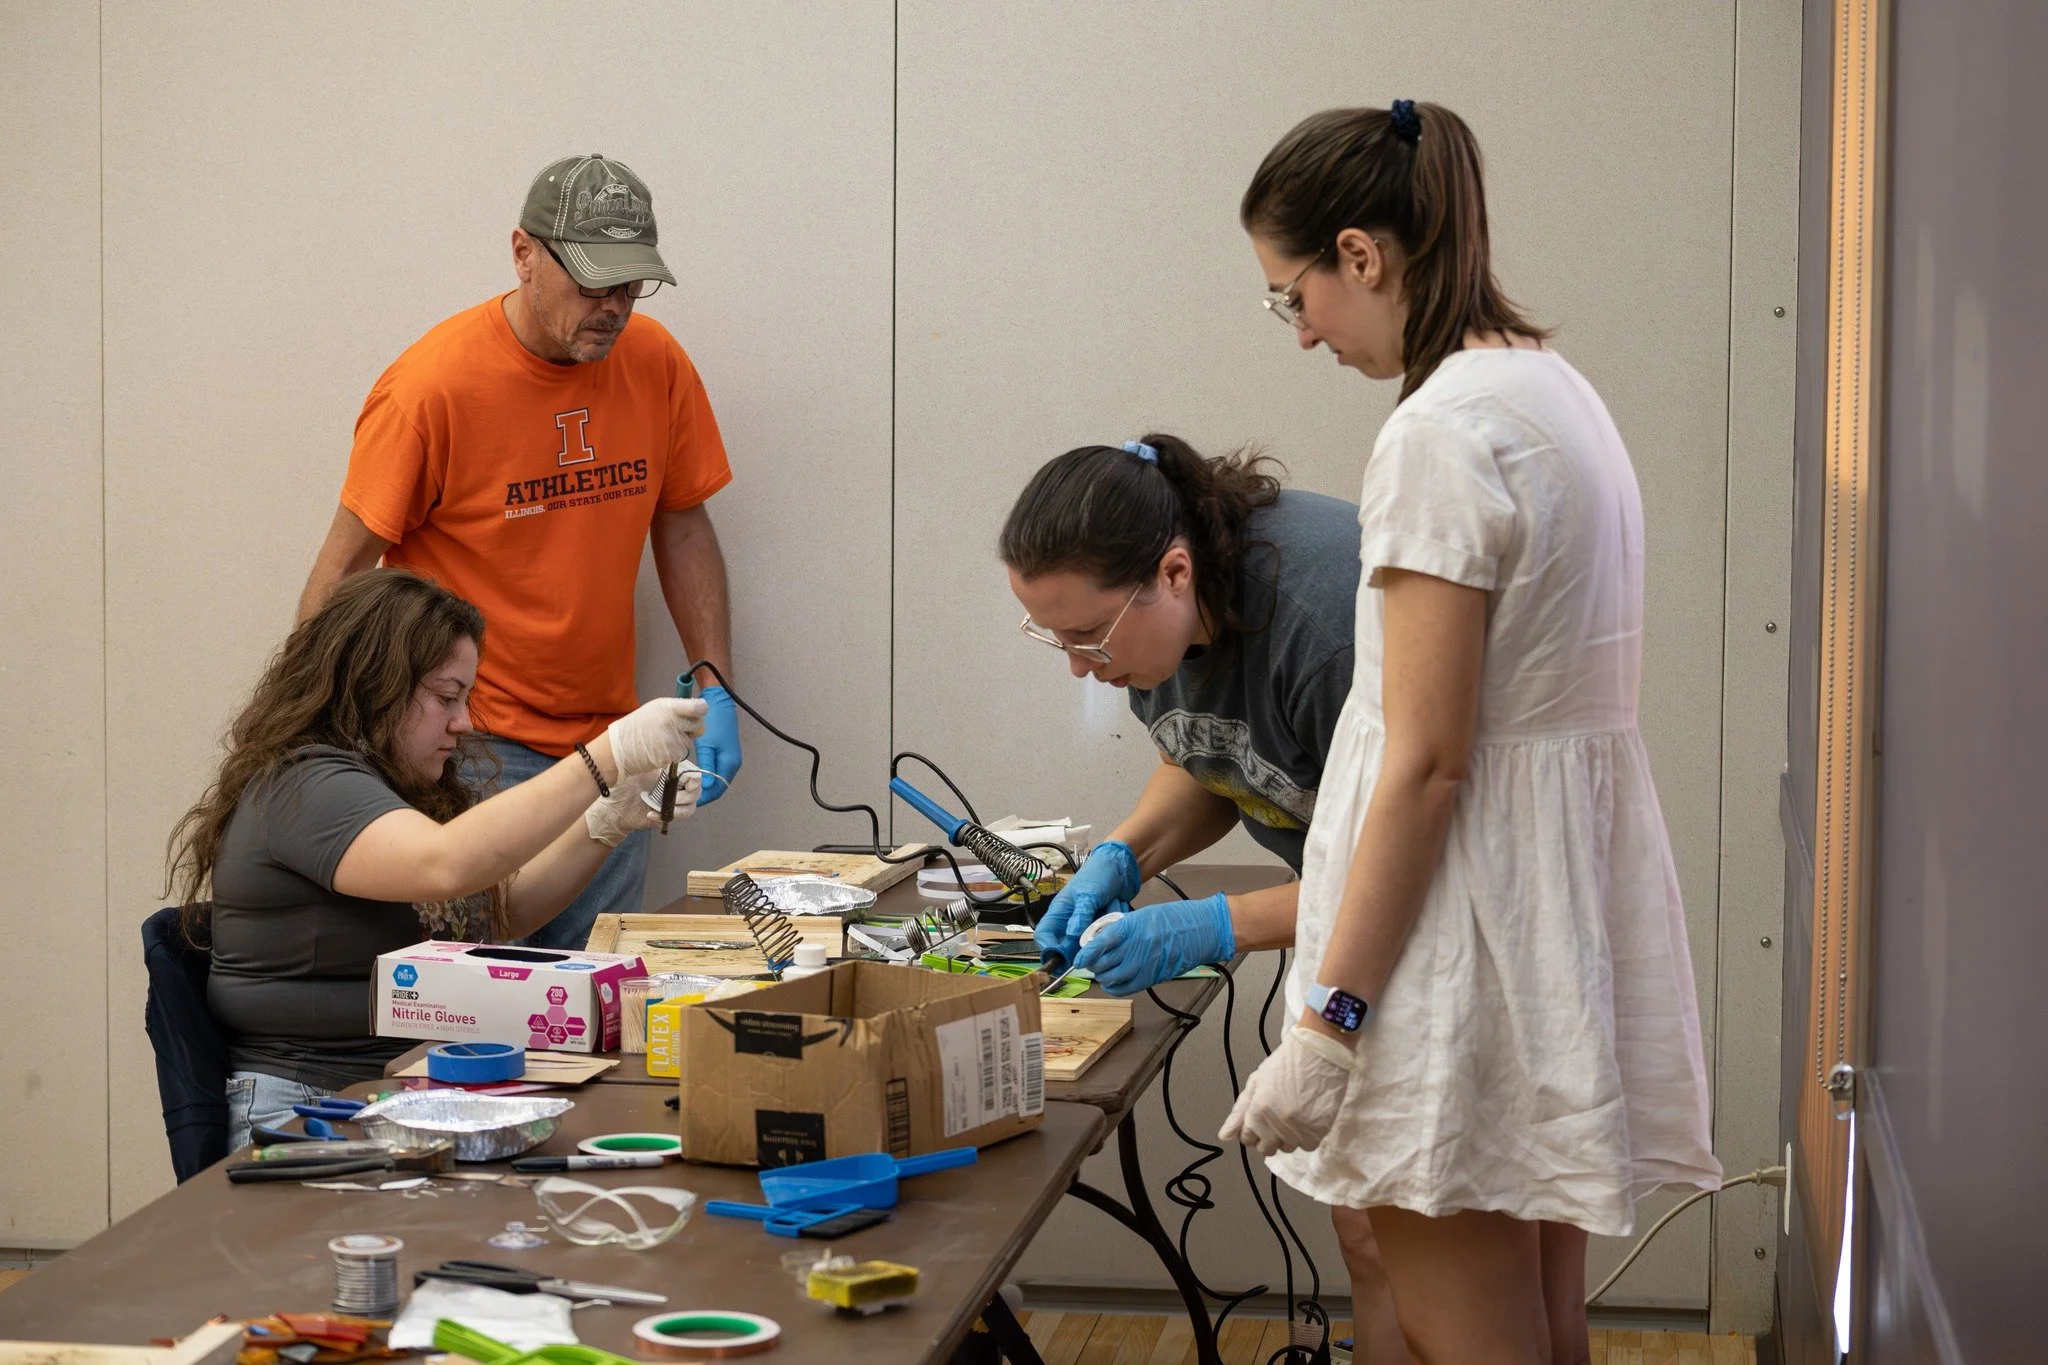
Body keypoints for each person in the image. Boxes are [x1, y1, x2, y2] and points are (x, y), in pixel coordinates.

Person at [1218, 101, 1720, 1365]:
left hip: (1454, 947)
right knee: (1539, 1323)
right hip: (1532, 926)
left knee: (1471, 1335)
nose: (1302, 332)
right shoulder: (1548, 390)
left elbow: (1428, 760)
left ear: (1358, 254)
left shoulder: (1439, 433)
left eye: (1291, 295)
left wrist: (1328, 1025)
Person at [1002, 435, 1412, 1363]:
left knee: (1418, 1238)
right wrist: (1124, 855)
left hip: (1437, 933)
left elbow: (1409, 877)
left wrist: (1215, 924)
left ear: (1174, 573)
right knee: (1369, 1228)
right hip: (1363, 936)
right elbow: (1210, 755)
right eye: (1054, 639)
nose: (1078, 667)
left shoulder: (1326, 630)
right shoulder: (1160, 627)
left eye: (1087, 638)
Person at [296, 154, 741, 951]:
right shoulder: (431, 389)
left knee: (591, 995)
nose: (613, 307)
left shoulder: (656, 363)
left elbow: (682, 525)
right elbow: (340, 573)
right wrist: (325, 754)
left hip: (610, 741)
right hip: (471, 745)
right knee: (480, 989)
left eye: (630, 285)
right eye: (593, 281)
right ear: (524, 254)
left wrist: (716, 681)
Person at [165, 569, 706, 1151]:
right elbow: (445, 864)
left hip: (391, 1090)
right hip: (308, 1104)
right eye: (447, 697)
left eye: (465, 699)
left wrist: (605, 822)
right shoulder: (307, 786)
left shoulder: (389, 786)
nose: (463, 722)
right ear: (375, 685)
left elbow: (499, 912)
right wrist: (606, 756)